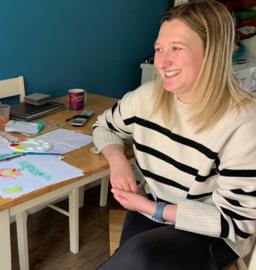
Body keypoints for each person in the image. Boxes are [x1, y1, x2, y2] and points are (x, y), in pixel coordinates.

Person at [92, 1, 256, 270]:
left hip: (213, 232)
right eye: (159, 49)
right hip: (151, 208)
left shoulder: (244, 122)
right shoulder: (145, 99)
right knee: (135, 256)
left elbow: (236, 222)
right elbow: (104, 125)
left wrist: (151, 209)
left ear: (212, 52)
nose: (162, 61)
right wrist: (117, 160)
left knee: (140, 256)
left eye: (176, 48)